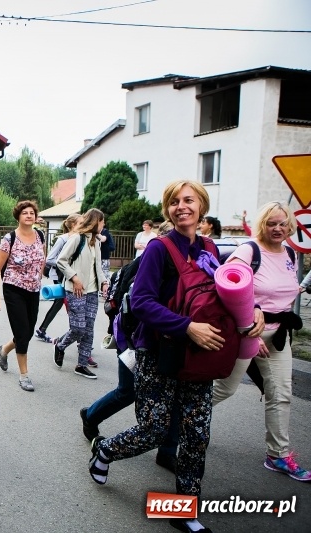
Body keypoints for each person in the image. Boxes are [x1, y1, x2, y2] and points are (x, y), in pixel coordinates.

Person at [88, 180, 264, 533]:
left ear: (201, 206)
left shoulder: (209, 247)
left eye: (189, 200)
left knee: (197, 434)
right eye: (174, 202)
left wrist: (254, 311)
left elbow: (224, 294)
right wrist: (187, 327)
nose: (181, 206)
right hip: (160, 352)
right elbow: (142, 302)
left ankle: (184, 512)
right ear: (167, 209)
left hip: (200, 356)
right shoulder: (159, 249)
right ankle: (105, 449)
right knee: (153, 430)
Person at [214, 202, 311, 482]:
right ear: (262, 224)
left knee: (281, 393)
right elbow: (224, 286)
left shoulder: (289, 253)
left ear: (290, 225)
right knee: (224, 389)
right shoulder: (249, 250)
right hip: (245, 333)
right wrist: (249, 328)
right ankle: (178, 425)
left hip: (278, 335)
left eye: (282, 223)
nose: (278, 228)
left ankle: (278, 455)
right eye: (271, 223)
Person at [80, 221, 181, 473]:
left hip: (172, 341)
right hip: (134, 341)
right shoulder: (146, 264)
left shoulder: (190, 265)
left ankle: (168, 451)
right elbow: (130, 309)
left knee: (177, 395)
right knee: (128, 391)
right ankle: (91, 415)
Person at [0, 200, 46, 392]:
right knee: (23, 334)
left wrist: (39, 275)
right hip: (14, 289)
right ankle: (24, 376)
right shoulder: (9, 239)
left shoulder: (40, 235)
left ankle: (4, 349)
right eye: (25, 213)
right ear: (18, 216)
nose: (29, 215)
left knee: (28, 332)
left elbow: (42, 257)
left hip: (33, 290)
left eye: (32, 213)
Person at [53, 208, 108, 378]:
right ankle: (60, 345)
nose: (104, 225)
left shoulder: (96, 242)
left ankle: (81, 365)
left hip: (92, 291)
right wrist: (74, 278)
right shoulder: (77, 238)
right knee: (78, 327)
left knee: (89, 329)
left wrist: (104, 282)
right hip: (76, 290)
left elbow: (98, 266)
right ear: (95, 221)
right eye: (102, 221)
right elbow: (60, 261)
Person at [35, 214, 81, 343]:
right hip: (61, 275)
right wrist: (66, 265)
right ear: (73, 225)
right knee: (63, 302)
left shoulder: (80, 238)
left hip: (72, 275)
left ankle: (43, 330)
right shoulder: (63, 239)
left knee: (64, 303)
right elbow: (50, 259)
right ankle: (77, 335)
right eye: (81, 222)